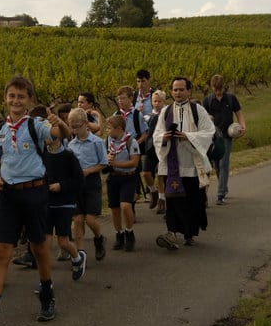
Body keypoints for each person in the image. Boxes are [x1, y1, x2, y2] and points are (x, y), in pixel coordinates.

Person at [0, 77, 70, 326]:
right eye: (12, 96)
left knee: (39, 247)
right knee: (2, 251)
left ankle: (47, 295)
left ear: (29, 100)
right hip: (8, 195)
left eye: (21, 96)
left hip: (34, 193)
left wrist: (59, 124)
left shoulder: (37, 125)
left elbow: (61, 134)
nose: (16, 101)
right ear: (5, 98)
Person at [154, 77, 215, 249]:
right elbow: (157, 134)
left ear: (188, 91)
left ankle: (189, 234)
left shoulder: (198, 110)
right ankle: (171, 233)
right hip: (173, 165)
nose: (178, 93)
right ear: (171, 92)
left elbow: (208, 132)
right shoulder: (166, 112)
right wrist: (164, 137)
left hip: (192, 164)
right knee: (173, 201)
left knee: (192, 201)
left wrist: (187, 136)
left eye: (181, 89)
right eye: (175, 90)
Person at [66, 107, 108, 263]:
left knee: (90, 219)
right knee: (77, 219)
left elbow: (103, 163)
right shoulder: (71, 145)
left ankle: (99, 238)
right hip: (76, 184)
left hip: (91, 182)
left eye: (77, 126)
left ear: (85, 123)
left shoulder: (97, 142)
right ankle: (80, 253)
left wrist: (88, 171)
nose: (74, 130)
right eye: (72, 127)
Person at [42, 136, 87, 279]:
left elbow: (79, 180)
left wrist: (61, 186)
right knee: (45, 243)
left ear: (57, 137)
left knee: (63, 242)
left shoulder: (68, 155)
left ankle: (77, 258)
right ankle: (45, 281)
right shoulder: (42, 155)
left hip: (65, 203)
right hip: (46, 203)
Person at [202, 74, 245, 204]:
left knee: (223, 163)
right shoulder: (207, 100)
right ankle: (224, 187)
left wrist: (243, 127)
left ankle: (220, 195)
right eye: (216, 89)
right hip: (212, 137)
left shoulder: (231, 98)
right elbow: (203, 117)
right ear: (212, 87)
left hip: (226, 136)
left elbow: (239, 114)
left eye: (220, 89)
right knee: (216, 165)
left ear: (223, 87)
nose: (218, 92)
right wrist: (208, 117)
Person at [105, 114, 141, 251]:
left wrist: (116, 163)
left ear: (119, 128)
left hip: (128, 177)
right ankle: (119, 234)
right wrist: (107, 160)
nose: (107, 130)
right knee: (114, 209)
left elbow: (135, 162)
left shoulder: (131, 141)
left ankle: (129, 232)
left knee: (125, 206)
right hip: (113, 177)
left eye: (109, 128)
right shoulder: (109, 140)